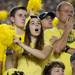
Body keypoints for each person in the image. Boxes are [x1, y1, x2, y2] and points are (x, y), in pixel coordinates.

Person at [2, 6, 27, 75]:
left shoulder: (29, 37)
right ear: (12, 19)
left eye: (25, 16)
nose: (24, 18)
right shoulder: (3, 32)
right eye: (20, 15)